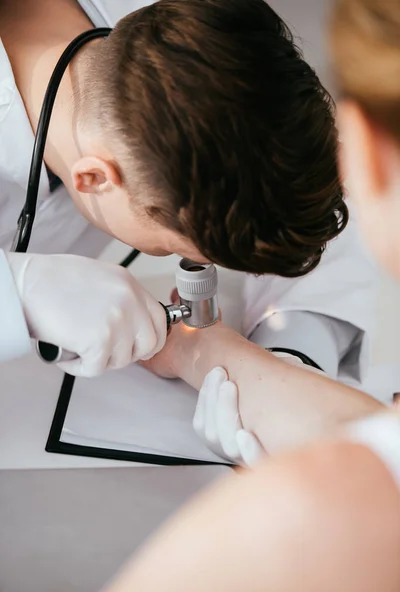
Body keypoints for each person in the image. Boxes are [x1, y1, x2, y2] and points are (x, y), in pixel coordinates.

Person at [95, 1, 400, 592]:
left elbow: (289, 175)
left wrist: (291, 348)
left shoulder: (300, 517)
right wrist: (15, 292)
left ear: (357, 145)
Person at [0, 0, 380, 397]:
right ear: (94, 178)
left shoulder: (203, 38)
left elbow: (295, 183)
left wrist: (293, 357)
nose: (203, 267)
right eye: (174, 248)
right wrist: (18, 291)